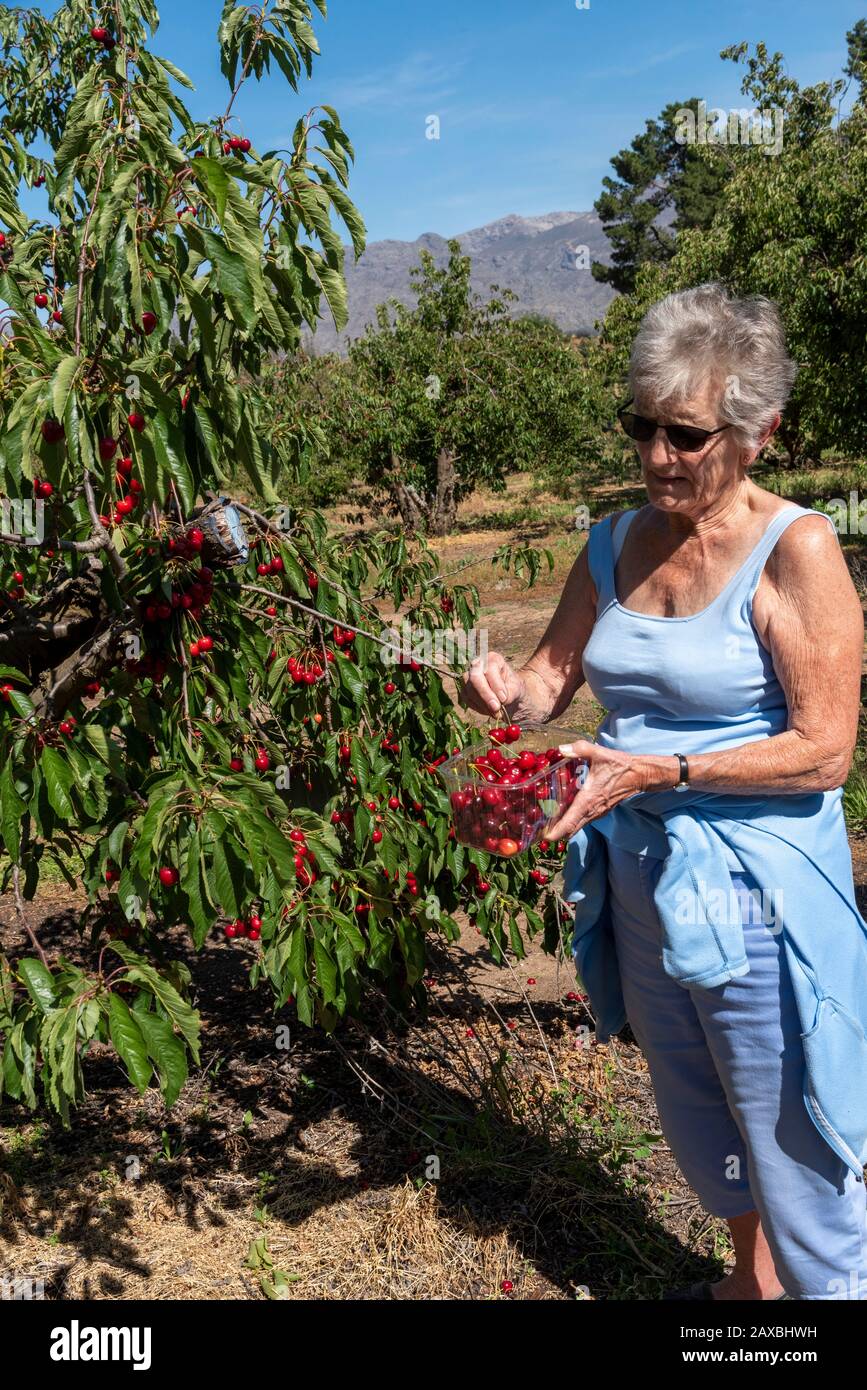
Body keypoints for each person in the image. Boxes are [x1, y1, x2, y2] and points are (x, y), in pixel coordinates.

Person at [462, 282, 867, 1301]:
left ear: (758, 432)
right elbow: (548, 686)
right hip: (639, 872)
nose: (654, 456)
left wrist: (666, 768)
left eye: (684, 434)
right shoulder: (610, 542)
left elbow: (825, 752)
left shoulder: (798, 549)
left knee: (795, 1129)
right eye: (639, 424)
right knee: (692, 1104)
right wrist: (499, 691)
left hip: (758, 891)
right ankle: (751, 1287)